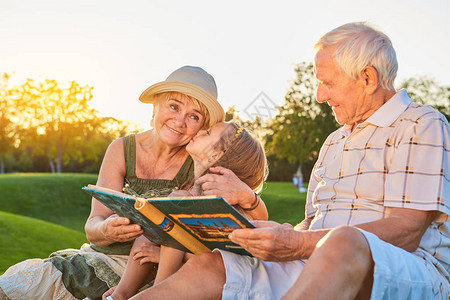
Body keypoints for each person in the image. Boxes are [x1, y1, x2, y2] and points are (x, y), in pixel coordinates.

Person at [127, 22, 449, 300]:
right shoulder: (335, 140)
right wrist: (271, 232)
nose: (320, 95)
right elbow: (311, 225)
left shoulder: (422, 124)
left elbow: (405, 231)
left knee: (344, 240)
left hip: (406, 268)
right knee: (213, 263)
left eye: (328, 83)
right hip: (314, 259)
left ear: (367, 78)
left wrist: (297, 243)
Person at [0, 66, 266, 300]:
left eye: (194, 117)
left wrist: (247, 196)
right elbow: (92, 227)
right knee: (16, 285)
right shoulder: (121, 149)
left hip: (156, 270)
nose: (180, 121)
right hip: (104, 260)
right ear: (156, 106)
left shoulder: (200, 160)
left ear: (202, 127)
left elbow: (245, 224)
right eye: (174, 106)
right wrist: (107, 228)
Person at [102, 121, 268, 300]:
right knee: (151, 221)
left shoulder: (219, 195)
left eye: (208, 133)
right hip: (190, 258)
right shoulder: (195, 188)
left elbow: (212, 254)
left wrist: (164, 256)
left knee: (176, 202)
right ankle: (121, 294)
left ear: (215, 155)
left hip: (213, 271)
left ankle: (157, 290)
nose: (201, 131)